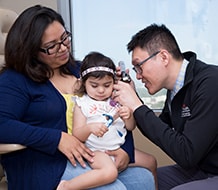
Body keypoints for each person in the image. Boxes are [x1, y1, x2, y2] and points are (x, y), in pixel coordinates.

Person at [0, 5, 155, 190]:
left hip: (90, 154)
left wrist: (124, 150)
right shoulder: (15, 80)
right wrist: (57, 139)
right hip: (43, 164)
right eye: (51, 46)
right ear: (31, 50)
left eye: (64, 38)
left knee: (144, 180)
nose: (64, 47)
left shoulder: (80, 70)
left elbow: (115, 108)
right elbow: (2, 124)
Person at [112, 23, 218, 190]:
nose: (138, 75)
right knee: (144, 181)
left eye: (139, 66)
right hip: (201, 169)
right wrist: (133, 97)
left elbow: (187, 154)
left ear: (163, 57)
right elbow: (159, 129)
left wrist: (136, 104)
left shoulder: (211, 82)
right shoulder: (176, 89)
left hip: (209, 170)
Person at [57, 52, 157, 190]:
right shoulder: (82, 104)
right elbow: (77, 134)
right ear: (84, 83)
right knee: (110, 172)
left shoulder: (117, 100)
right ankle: (66, 186)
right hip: (96, 151)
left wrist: (128, 116)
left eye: (107, 85)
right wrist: (90, 128)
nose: (101, 90)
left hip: (116, 148)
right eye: (94, 85)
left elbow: (130, 127)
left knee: (151, 162)